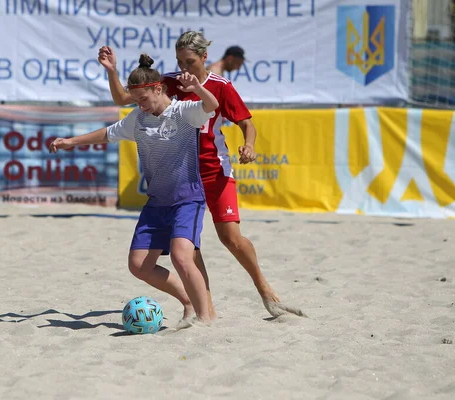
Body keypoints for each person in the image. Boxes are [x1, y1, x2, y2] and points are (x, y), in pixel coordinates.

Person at [98, 32, 304, 318]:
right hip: (181, 173)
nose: (184, 68)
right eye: (180, 61)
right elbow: (124, 97)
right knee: (188, 247)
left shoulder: (220, 86)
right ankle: (206, 310)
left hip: (213, 169)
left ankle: (264, 288)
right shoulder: (167, 82)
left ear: (204, 58)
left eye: (190, 61)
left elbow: (247, 124)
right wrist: (112, 71)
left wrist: (249, 145)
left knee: (231, 238)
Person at [50, 54, 219, 325]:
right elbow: (107, 133)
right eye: (135, 100)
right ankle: (187, 302)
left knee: (181, 256)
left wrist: (197, 88)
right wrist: (72, 141)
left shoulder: (184, 113)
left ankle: (205, 319)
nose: (139, 105)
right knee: (139, 265)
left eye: (143, 99)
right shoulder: (138, 119)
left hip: (187, 199)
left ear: (158, 88)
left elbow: (212, 105)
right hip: (156, 203)